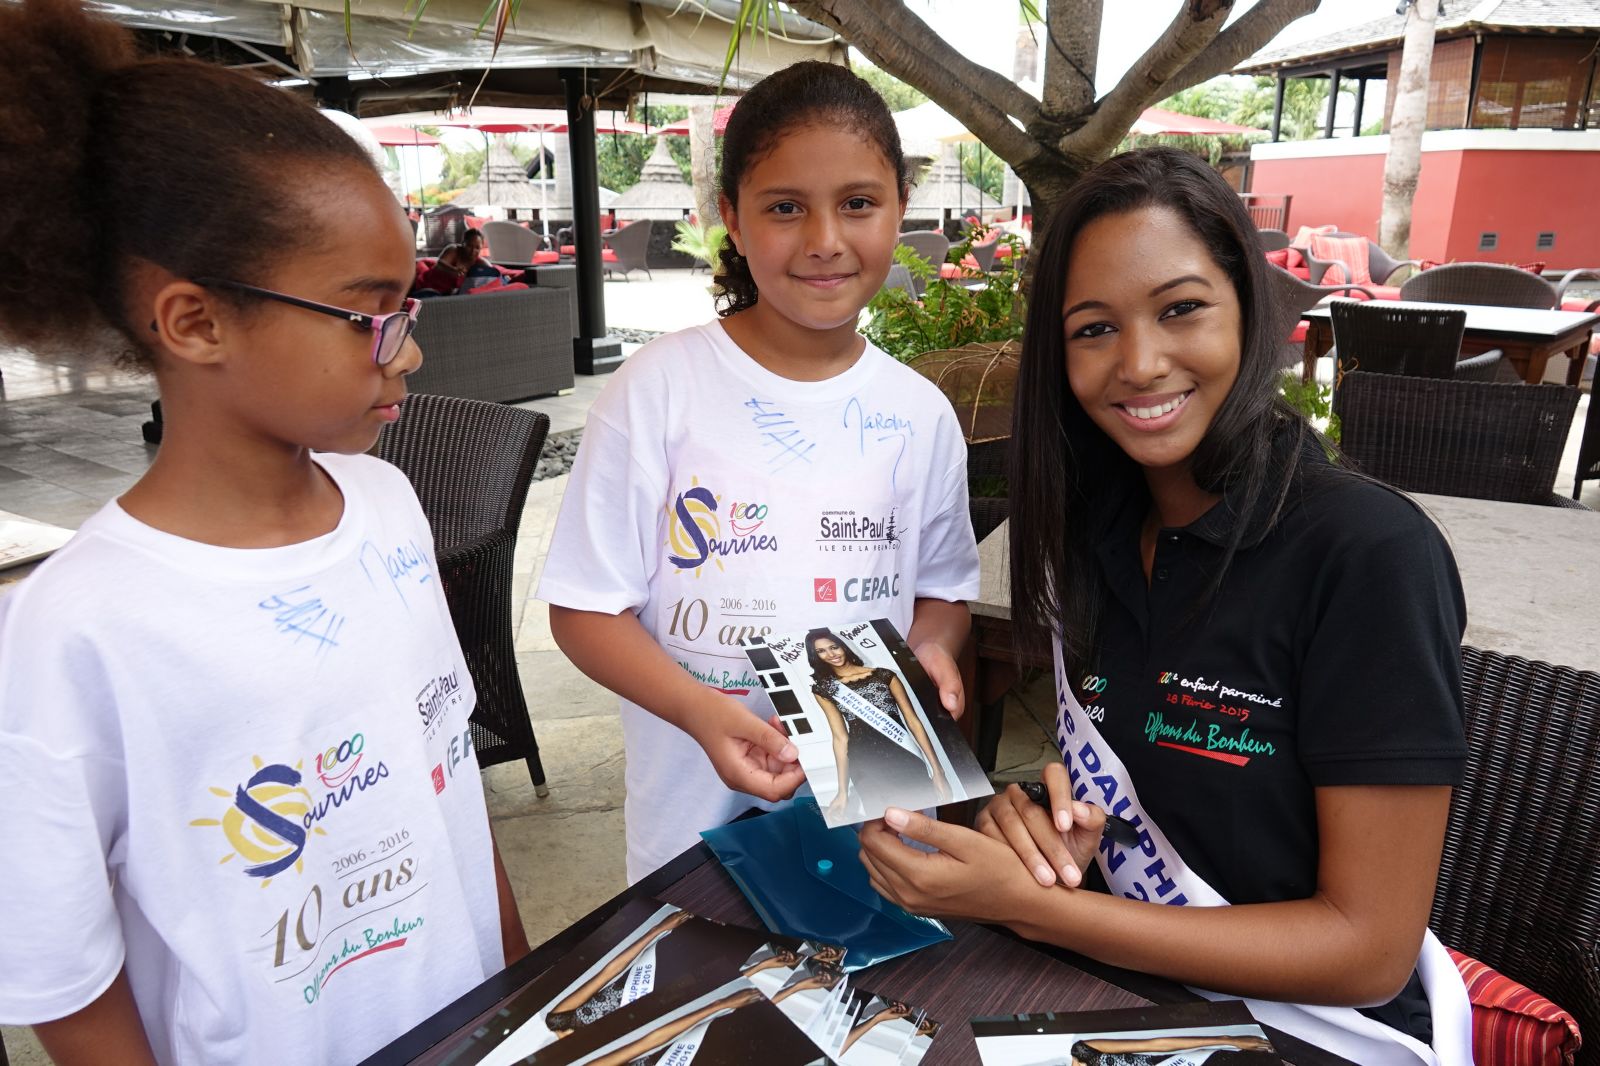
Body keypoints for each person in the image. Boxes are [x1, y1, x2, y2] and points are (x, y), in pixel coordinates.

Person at [855, 148, 1473, 1066]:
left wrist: (1035, 904)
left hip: (1311, 1031)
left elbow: (1366, 952)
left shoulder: (1368, 556)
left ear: (1248, 311)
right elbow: (1128, 797)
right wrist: (1037, 826)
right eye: (1093, 328)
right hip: (1118, 995)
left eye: (1181, 309)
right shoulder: (1095, 533)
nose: (1139, 364)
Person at [0, 1, 529, 1062]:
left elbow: (446, 784)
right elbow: (66, 977)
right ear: (195, 322)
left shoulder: (387, 508)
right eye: (370, 313)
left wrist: (522, 996)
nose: (408, 353)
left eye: (410, 308)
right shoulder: (80, 627)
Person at [539, 60, 980, 882]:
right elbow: (585, 611)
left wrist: (933, 646)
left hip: (876, 816)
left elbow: (943, 589)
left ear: (899, 212)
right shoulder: (657, 391)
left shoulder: (920, 414)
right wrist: (704, 715)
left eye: (857, 203)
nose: (824, 240)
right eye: (785, 208)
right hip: (690, 828)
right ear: (732, 221)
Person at [807, 628, 950, 820]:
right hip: (866, 763)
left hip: (903, 755)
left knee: (919, 819)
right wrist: (843, 792)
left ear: (843, 646)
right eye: (822, 651)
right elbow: (840, 738)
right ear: (815, 657)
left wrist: (937, 770)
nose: (831, 654)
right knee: (881, 824)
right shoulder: (825, 689)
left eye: (834, 647)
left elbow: (913, 720)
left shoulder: (884, 675)